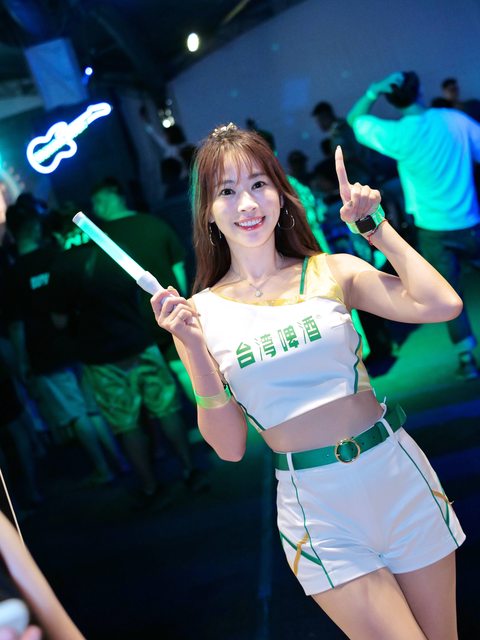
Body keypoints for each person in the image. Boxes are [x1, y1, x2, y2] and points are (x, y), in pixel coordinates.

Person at [151, 123, 465, 639]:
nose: (247, 203)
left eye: (258, 184)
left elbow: (442, 304)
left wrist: (375, 227)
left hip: (397, 474)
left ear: (281, 193)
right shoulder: (198, 315)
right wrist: (191, 348)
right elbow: (229, 447)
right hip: (318, 509)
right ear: (207, 211)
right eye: (226, 191)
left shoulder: (330, 271)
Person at [347, 71, 480, 379]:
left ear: (392, 100)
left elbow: (355, 119)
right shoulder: (453, 120)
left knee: (449, 292)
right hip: (471, 220)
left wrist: (374, 90)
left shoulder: (398, 135)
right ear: (420, 91)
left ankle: (466, 359)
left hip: (433, 229)